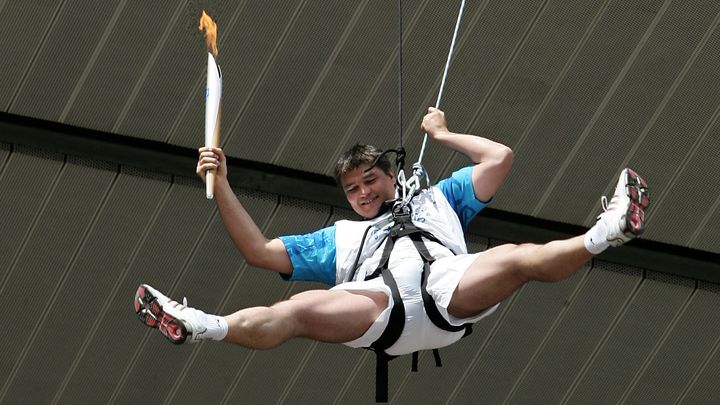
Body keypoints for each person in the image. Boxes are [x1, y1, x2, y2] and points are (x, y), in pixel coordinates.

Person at [134, 107, 649, 357]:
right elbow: (259, 252)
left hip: (447, 286)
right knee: (292, 312)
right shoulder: (341, 238)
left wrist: (443, 136)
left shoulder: (438, 199)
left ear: (392, 176)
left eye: (371, 180)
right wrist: (221, 183)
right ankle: (203, 324)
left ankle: (604, 232)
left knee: (514, 258)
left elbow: (500, 158)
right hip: (377, 306)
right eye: (353, 189)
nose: (362, 194)